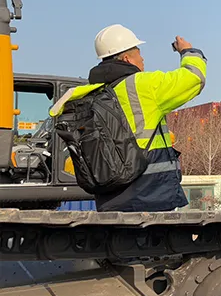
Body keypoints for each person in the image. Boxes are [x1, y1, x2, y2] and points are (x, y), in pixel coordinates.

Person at [50, 24, 207, 212]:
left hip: (110, 199)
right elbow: (193, 78)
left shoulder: (93, 92)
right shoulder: (141, 86)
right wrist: (189, 51)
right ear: (127, 58)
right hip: (150, 196)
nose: (143, 60)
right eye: (139, 54)